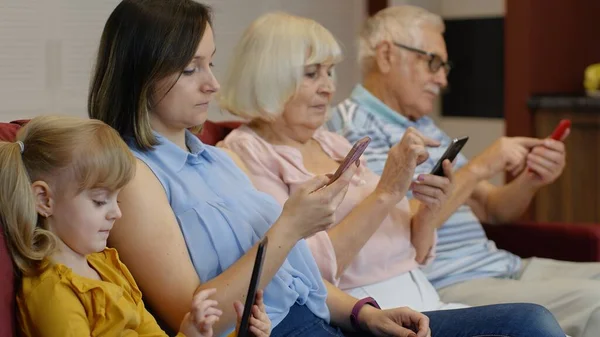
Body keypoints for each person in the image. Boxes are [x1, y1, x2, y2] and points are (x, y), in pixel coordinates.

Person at [89, 1, 441, 337]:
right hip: (281, 330)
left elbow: (295, 278)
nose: (213, 84)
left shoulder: (216, 160)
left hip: (324, 321)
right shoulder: (134, 177)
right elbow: (195, 321)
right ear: (140, 75)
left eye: (211, 64)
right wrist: (288, 228)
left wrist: (364, 314)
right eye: (190, 69)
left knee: (499, 319)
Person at [217, 11, 567, 337]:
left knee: (534, 321)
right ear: (268, 76)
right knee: (530, 322)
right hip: (368, 309)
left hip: (423, 292)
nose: (328, 87)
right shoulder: (244, 155)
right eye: (312, 73)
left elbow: (412, 248)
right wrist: (387, 191)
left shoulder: (334, 142)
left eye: (330, 72)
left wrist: (429, 208)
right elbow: (302, 272)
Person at [326, 5, 600, 337]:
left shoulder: (424, 125)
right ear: (386, 55)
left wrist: (531, 179)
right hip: (451, 280)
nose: (442, 79)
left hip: (501, 265)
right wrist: (480, 167)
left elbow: (494, 209)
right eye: (433, 63)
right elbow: (398, 232)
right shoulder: (352, 131)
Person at [0, 116, 269, 337]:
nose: (116, 213)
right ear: (44, 199)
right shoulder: (53, 293)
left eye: (117, 199)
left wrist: (193, 332)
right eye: (100, 201)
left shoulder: (105, 263)